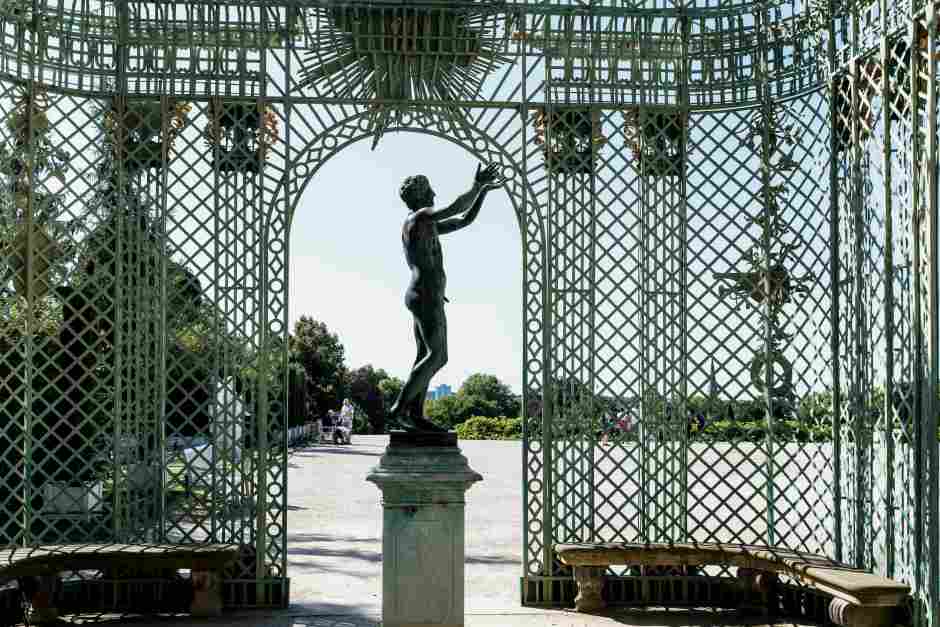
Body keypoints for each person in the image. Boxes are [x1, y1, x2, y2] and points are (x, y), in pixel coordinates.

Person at [388, 163, 503, 432]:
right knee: (438, 356)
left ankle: (415, 415)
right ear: (418, 195)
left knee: (424, 357)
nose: (434, 194)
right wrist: (476, 186)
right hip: (425, 294)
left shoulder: (424, 224)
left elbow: (463, 220)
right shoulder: (419, 218)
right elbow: (455, 208)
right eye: (429, 190)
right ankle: (399, 409)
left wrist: (483, 193)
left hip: (426, 295)